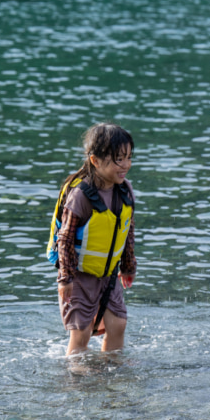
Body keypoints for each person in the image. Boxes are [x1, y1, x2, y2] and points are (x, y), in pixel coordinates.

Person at [49, 123, 137, 356]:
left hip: (108, 274)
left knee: (118, 324)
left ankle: (112, 369)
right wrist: (65, 278)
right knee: (82, 331)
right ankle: (77, 378)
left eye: (129, 158)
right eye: (119, 159)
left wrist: (128, 265)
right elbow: (65, 238)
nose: (126, 165)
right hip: (79, 276)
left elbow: (127, 230)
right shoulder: (81, 196)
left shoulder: (124, 190)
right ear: (96, 161)